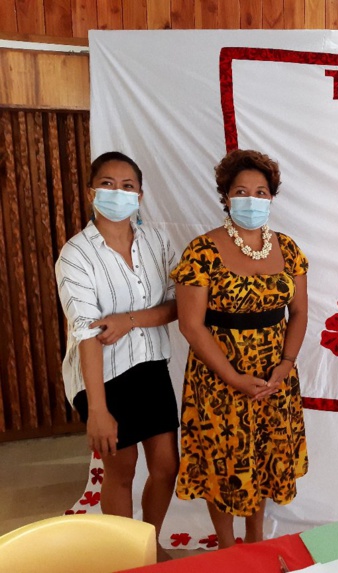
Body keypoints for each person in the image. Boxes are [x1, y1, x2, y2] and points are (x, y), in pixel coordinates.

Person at [172, 149, 309, 549]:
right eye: (241, 191)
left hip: (273, 378)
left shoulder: (288, 249)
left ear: (272, 197)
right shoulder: (202, 251)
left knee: (263, 458)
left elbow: (300, 312)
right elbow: (191, 324)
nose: (252, 199)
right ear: (226, 196)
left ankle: (256, 542)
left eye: (261, 192)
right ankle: (228, 550)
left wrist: (286, 364)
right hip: (219, 379)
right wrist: (233, 377)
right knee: (223, 463)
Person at [55, 151, 180, 553]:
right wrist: (98, 409)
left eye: (128, 186)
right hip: (103, 374)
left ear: (139, 195)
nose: (118, 192)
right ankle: (127, 556)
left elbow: (178, 305)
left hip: (150, 363)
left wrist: (129, 320)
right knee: (121, 470)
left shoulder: (157, 242)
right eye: (107, 184)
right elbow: (86, 333)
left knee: (167, 467)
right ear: (91, 191)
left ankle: (150, 543)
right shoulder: (76, 254)